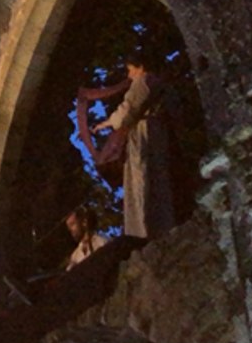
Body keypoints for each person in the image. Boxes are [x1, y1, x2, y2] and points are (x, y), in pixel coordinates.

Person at [94, 50, 174, 238]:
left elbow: (127, 111)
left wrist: (107, 123)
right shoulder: (156, 82)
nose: (129, 76)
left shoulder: (144, 82)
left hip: (145, 135)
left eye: (131, 70)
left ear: (141, 68)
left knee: (143, 180)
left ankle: (146, 231)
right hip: (152, 131)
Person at [64, 206, 108, 270]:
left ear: (84, 222)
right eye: (69, 227)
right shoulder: (75, 256)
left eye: (72, 224)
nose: (71, 230)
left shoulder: (101, 243)